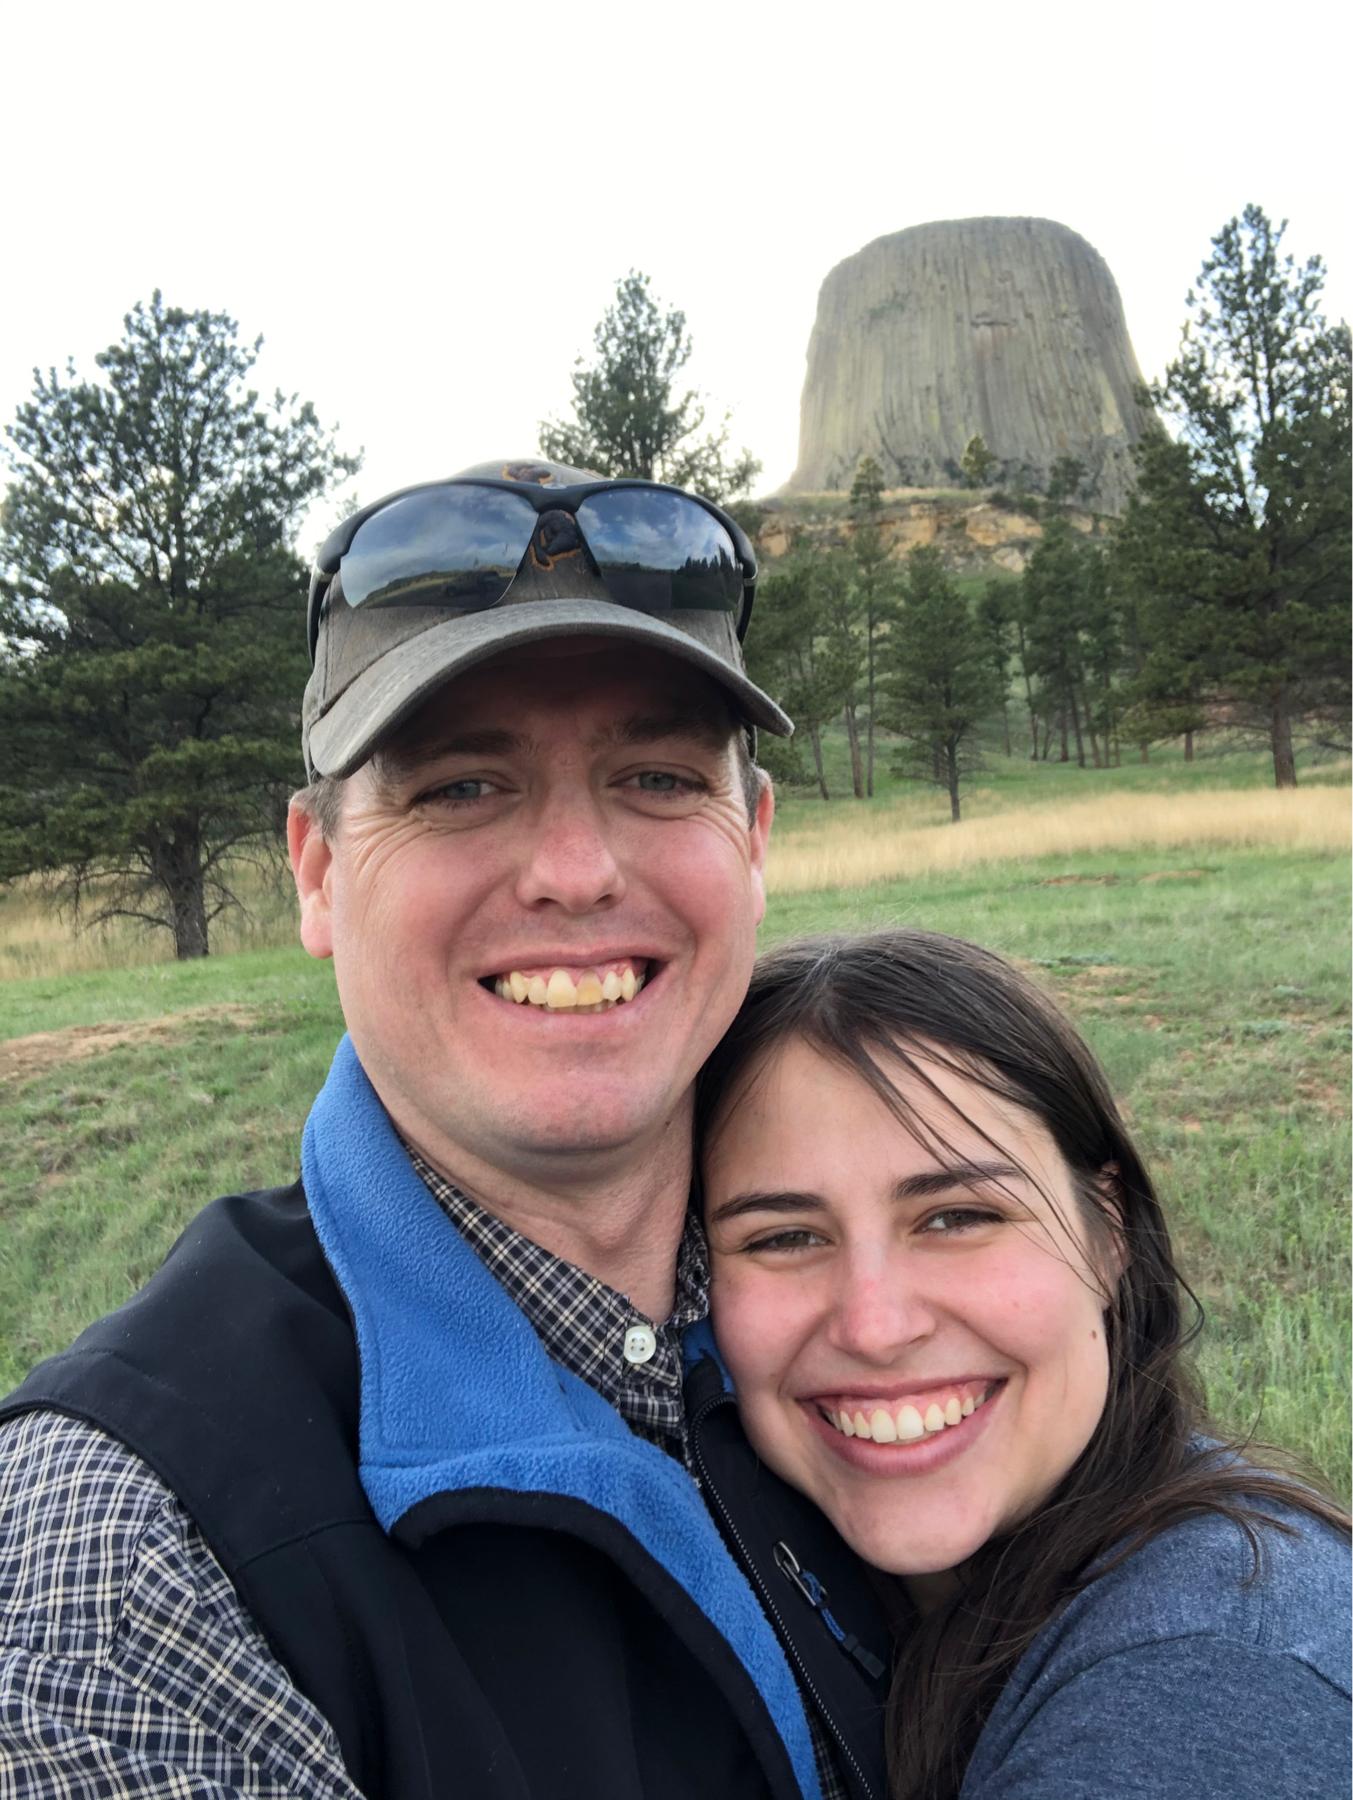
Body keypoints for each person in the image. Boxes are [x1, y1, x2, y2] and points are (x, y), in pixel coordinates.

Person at [0, 462, 890, 1799]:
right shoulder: (127, 1566)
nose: (577, 871)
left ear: (754, 842)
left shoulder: (908, 1299)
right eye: (463, 788)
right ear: (317, 874)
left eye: (657, 777)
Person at [696, 928, 1352, 1800]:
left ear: (1107, 1233)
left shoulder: (1212, 1678)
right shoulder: (840, 1604)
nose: (874, 1326)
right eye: (783, 1237)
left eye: (957, 1217)